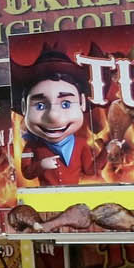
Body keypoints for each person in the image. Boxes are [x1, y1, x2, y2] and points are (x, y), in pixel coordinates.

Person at [18, 47, 97, 186]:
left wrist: (106, 152)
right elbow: (26, 173)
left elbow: (90, 170)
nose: (53, 117)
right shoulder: (31, 147)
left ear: (82, 103)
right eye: (40, 106)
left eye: (66, 104)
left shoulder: (81, 144)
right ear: (24, 107)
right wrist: (41, 165)